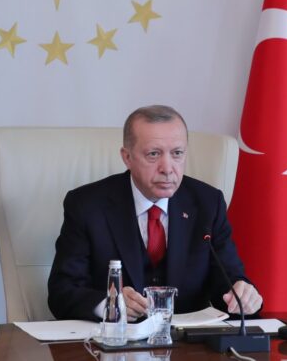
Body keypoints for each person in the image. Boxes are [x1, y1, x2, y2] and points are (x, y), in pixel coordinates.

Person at [47, 105, 263, 321]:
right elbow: (62, 291)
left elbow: (227, 281)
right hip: (114, 342)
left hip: (187, 347)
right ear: (127, 157)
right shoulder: (87, 205)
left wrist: (243, 296)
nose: (167, 168)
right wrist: (110, 305)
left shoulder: (207, 203)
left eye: (177, 153)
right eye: (153, 154)